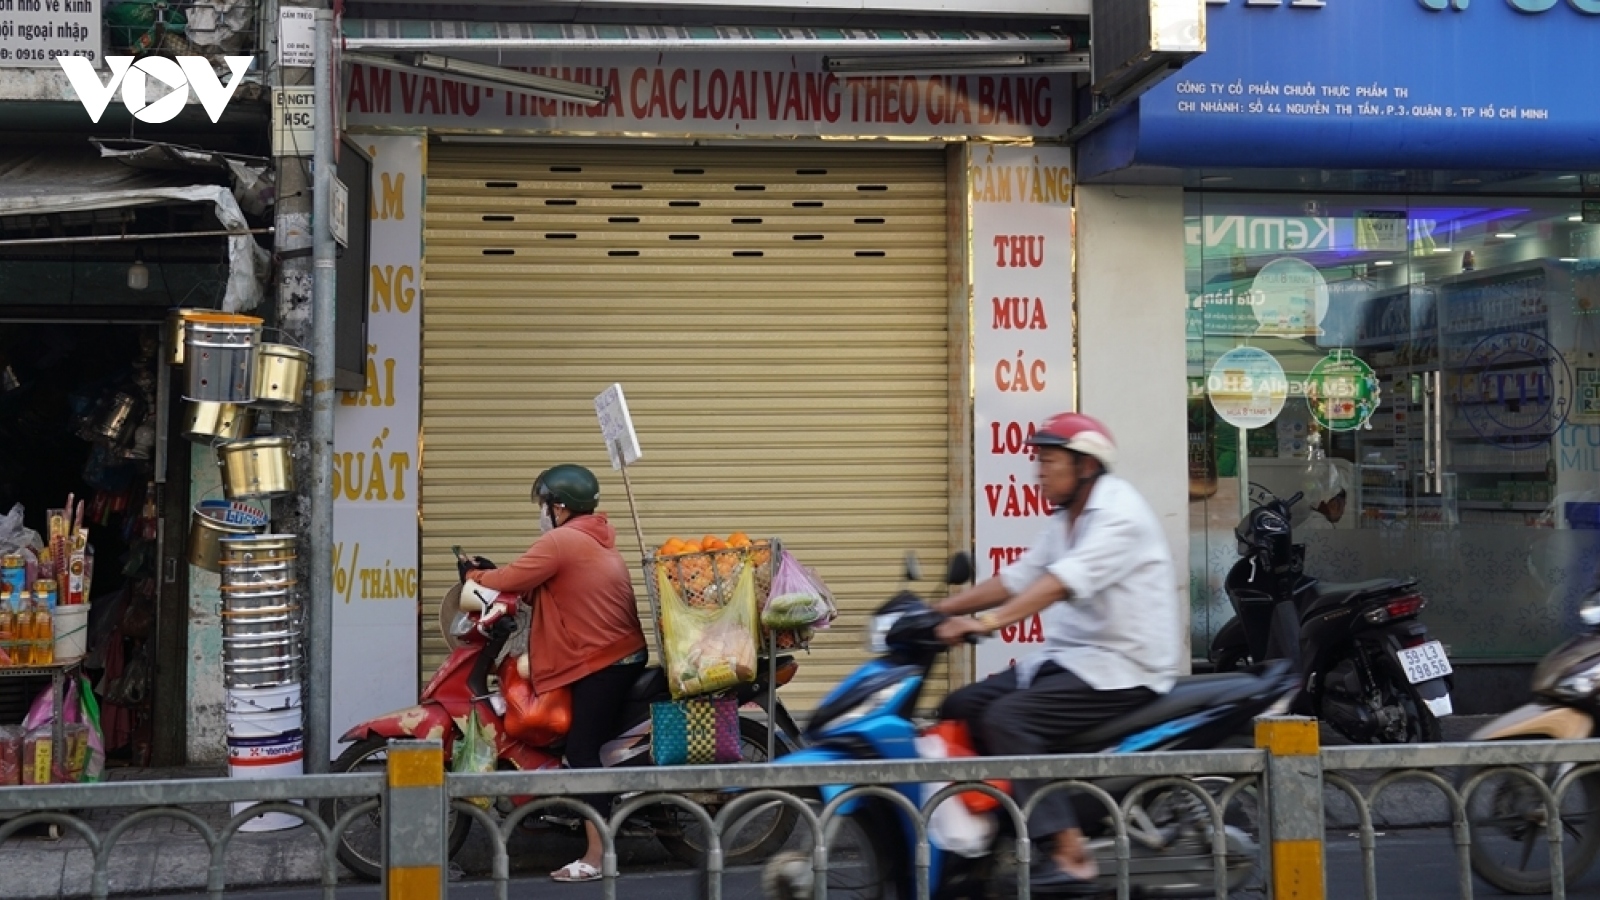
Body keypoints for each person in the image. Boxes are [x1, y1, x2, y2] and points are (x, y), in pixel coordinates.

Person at [933, 413, 1181, 893]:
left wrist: (984, 624)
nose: (1039, 472)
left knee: (1009, 720)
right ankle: (988, 838)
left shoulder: (1116, 514)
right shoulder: (1066, 519)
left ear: (1085, 465)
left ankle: (1069, 851)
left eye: (1049, 461)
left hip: (1122, 666)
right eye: (1039, 461)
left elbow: (1058, 584)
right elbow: (1017, 579)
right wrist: (935, 612)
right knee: (959, 706)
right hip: (1073, 659)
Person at [464, 464, 647, 884]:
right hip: (613, 655)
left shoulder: (563, 540)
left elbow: (514, 576)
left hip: (604, 661)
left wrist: (474, 576)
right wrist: (493, 574)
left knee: (585, 753)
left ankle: (597, 857)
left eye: (544, 504)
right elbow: (534, 582)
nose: (542, 513)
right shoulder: (590, 536)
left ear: (560, 506)